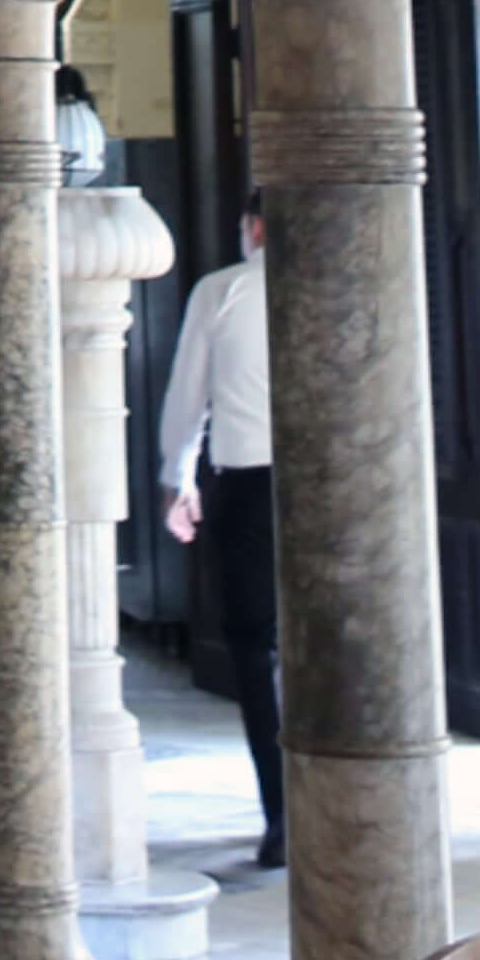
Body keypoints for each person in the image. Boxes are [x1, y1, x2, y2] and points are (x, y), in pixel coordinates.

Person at [154, 189, 281, 871]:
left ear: (254, 227)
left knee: (259, 651)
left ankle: (283, 817)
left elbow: (187, 397)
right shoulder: (342, 286)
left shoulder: (224, 291)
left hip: (251, 486)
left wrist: (179, 479)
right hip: (337, 488)